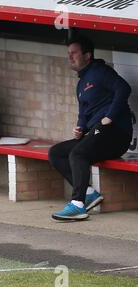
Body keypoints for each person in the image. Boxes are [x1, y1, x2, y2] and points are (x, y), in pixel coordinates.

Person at [48, 35, 132, 221]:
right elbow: (84, 112)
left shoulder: (100, 71)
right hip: (97, 133)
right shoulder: (81, 83)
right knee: (56, 152)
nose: (70, 57)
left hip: (116, 133)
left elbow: (124, 88)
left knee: (78, 154)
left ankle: (77, 204)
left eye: (74, 53)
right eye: (68, 54)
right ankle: (89, 193)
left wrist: (109, 117)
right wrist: (80, 127)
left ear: (87, 55)